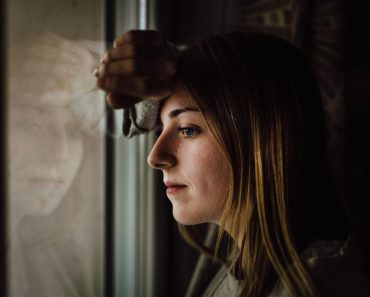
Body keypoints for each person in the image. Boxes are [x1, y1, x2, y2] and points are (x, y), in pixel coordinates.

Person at [96, 30, 370, 297]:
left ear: (260, 138)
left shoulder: (314, 286)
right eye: (161, 129)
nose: (155, 158)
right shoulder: (246, 259)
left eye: (188, 130)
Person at [9, 32, 104, 297]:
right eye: (31, 126)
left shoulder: (43, 252)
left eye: (74, 131)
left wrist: (94, 71)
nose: (61, 153)